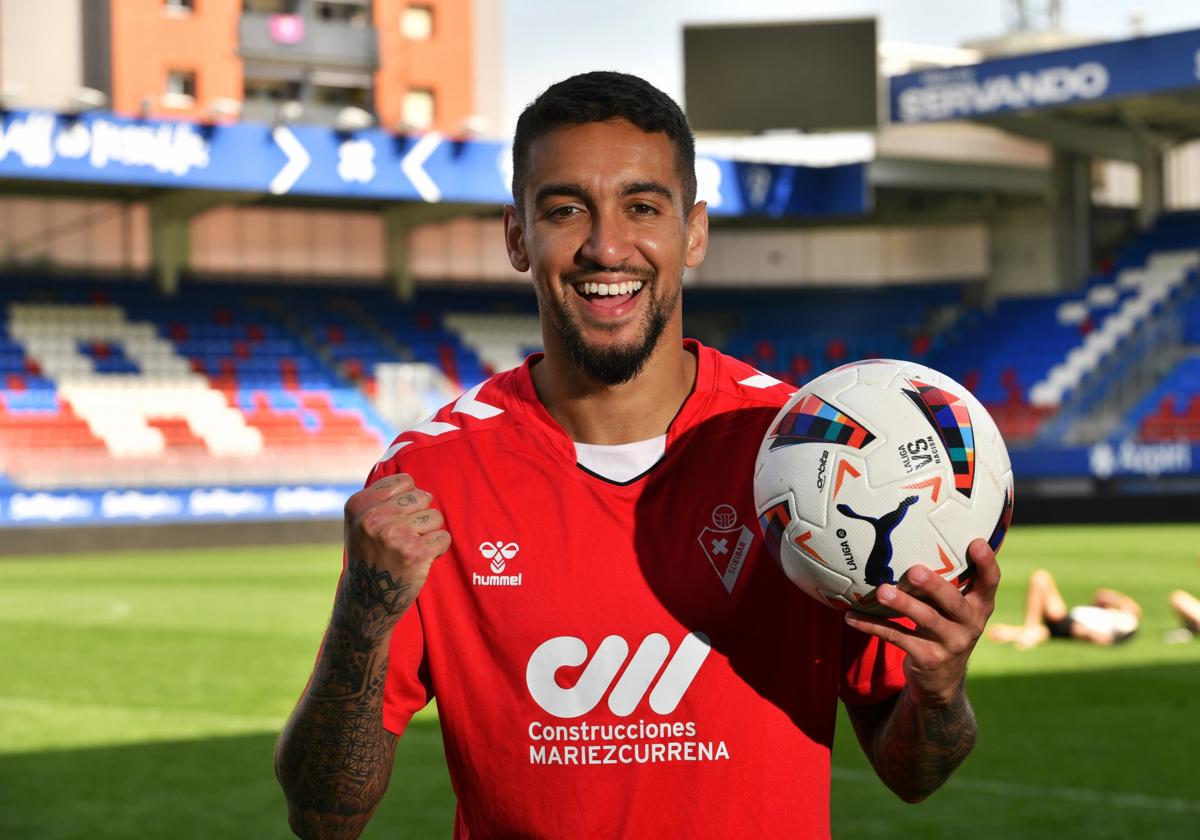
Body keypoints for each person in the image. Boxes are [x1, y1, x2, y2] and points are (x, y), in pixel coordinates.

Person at [274, 71, 1002, 839]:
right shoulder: (432, 478)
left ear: (693, 232)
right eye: (564, 210)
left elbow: (912, 772)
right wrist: (364, 613)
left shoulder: (806, 453)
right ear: (517, 237)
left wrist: (940, 689)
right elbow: (324, 815)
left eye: (642, 207)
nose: (606, 246)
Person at [988, 569, 1140, 649]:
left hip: (1067, 623)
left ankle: (1029, 630)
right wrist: (1113, 601)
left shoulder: (1115, 628)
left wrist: (1084, 631)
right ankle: (1029, 632)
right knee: (998, 632)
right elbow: (1101, 596)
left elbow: (1099, 638)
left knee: (1041, 578)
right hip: (1067, 623)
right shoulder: (1115, 614)